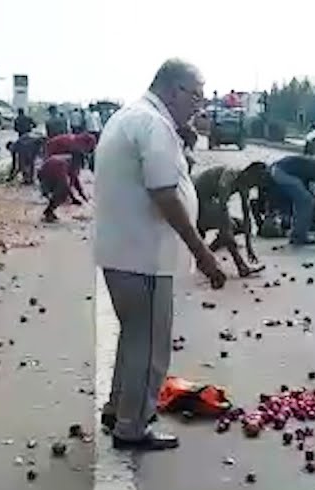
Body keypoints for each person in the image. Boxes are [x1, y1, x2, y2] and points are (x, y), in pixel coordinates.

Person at [94, 58, 227, 452]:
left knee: (134, 338)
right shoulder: (153, 125)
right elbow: (165, 193)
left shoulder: (134, 117)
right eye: (196, 95)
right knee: (150, 345)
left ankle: (118, 409)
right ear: (172, 89)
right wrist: (202, 253)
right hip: (144, 256)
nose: (199, 105)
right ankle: (133, 427)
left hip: (124, 252)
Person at [194, 162, 270, 277]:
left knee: (239, 226)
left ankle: (205, 255)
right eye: (255, 182)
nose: (253, 186)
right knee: (228, 226)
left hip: (211, 200)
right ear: (247, 174)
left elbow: (246, 217)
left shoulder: (245, 184)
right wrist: (227, 229)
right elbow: (222, 208)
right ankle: (241, 266)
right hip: (198, 198)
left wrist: (249, 248)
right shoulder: (229, 176)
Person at [267, 154, 315, 244]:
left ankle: (297, 231)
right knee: (307, 201)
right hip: (283, 172)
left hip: (278, 169)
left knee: (302, 200)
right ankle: (299, 236)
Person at [38, 151, 89, 223]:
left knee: (61, 192)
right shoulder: (62, 164)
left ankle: (50, 209)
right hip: (48, 176)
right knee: (62, 193)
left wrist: (81, 195)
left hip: (45, 175)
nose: (79, 167)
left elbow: (75, 180)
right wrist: (73, 197)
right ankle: (49, 211)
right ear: (76, 161)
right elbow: (65, 184)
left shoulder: (68, 160)